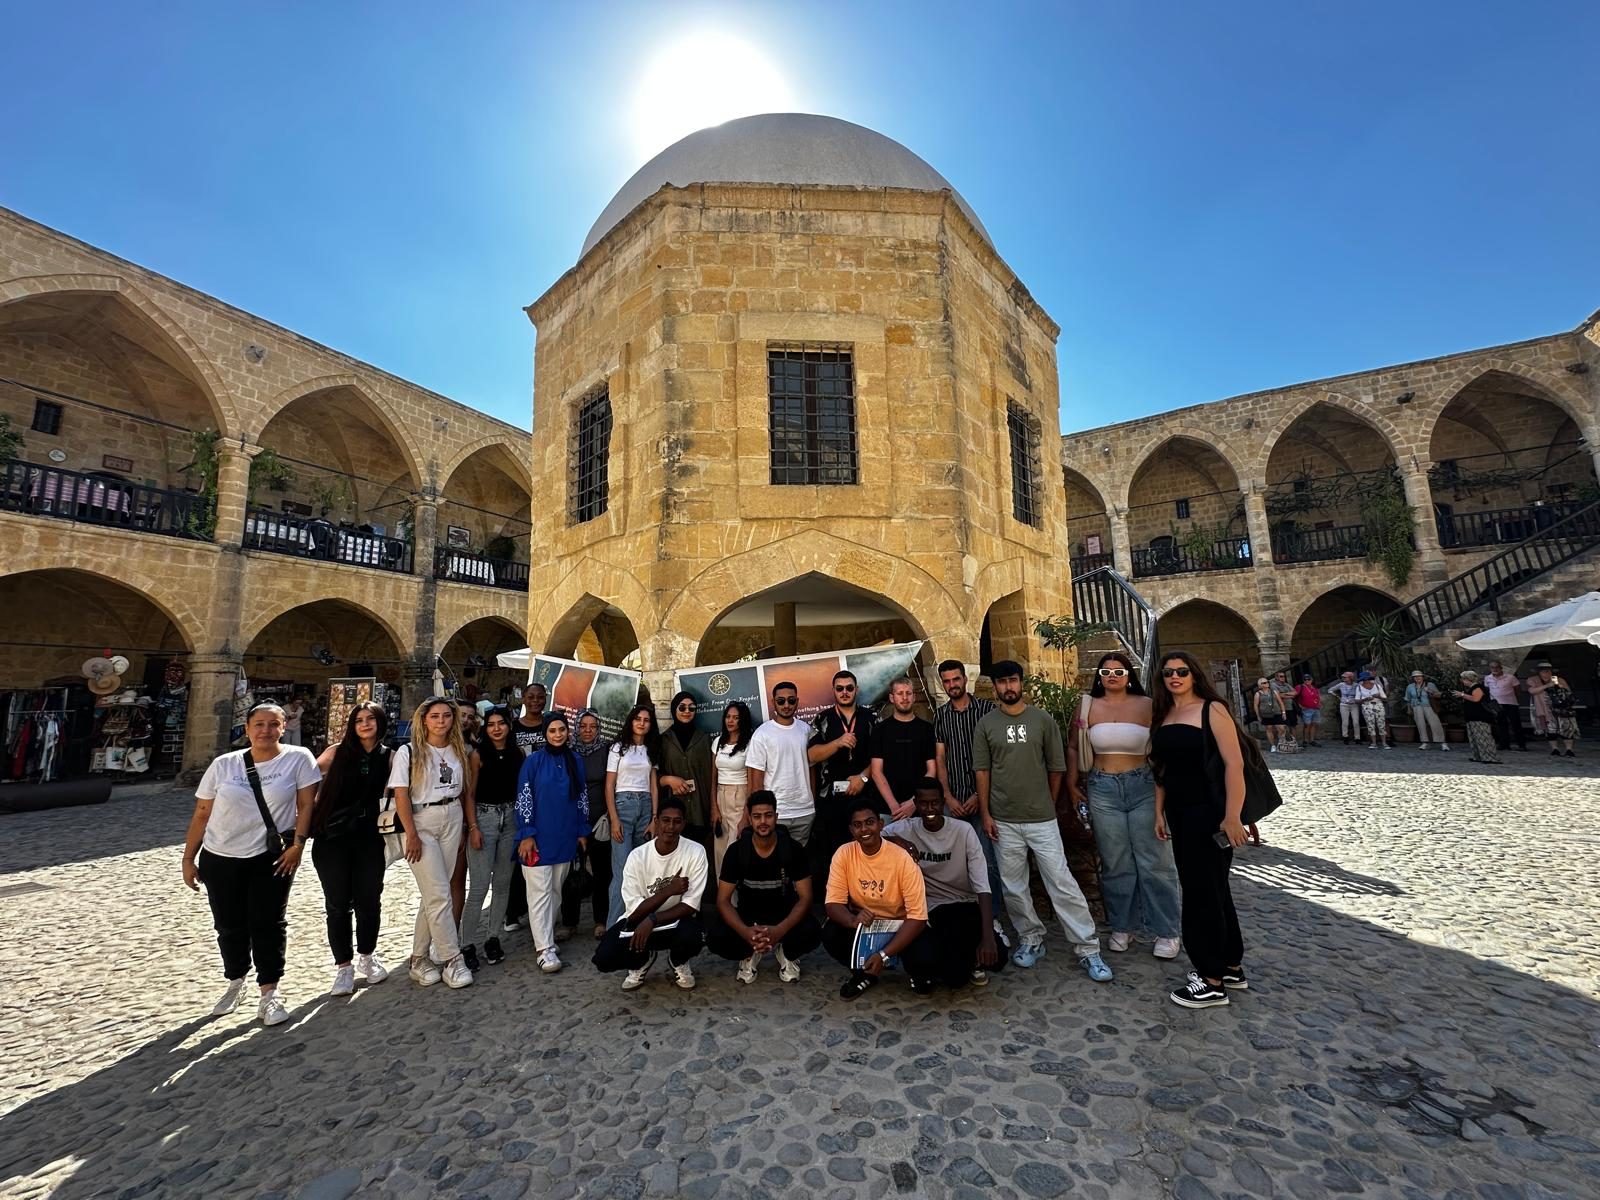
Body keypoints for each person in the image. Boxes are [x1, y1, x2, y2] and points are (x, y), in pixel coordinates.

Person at [182, 702, 320, 1026]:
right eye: (259, 724)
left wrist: (298, 845)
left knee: (268, 923)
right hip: (219, 855)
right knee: (228, 923)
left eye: (273, 724)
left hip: (270, 857)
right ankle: (236, 980)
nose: (266, 730)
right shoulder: (224, 764)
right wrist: (188, 857)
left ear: (284, 728)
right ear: (246, 729)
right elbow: (202, 813)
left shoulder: (299, 759)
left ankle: (269, 992)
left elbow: (306, 805)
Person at [975, 659, 1112, 982]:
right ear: (995, 688)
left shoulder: (1042, 720)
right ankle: (1031, 938)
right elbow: (983, 771)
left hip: (1041, 819)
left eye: (1012, 680)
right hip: (1003, 819)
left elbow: (1056, 767)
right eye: (1002, 682)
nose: (1008, 687)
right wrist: (986, 813)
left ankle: (1088, 948)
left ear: (1021, 683)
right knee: (1014, 887)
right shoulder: (986, 725)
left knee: (1061, 882)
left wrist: (1048, 803)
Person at [1151, 650, 1251, 1010]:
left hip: (1208, 814)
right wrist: (1159, 812)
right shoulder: (1164, 713)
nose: (1175, 677)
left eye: (1182, 671)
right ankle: (1230, 965)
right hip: (1179, 813)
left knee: (1200, 893)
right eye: (1168, 673)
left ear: (1194, 674)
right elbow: (1162, 769)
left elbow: (1234, 765)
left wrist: (1232, 816)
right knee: (1214, 890)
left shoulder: (1213, 710)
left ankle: (1210, 981)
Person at [1066, 653, 1181, 961]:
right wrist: (1072, 784)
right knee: (1115, 860)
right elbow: (1074, 746)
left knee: (1155, 859)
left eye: (1119, 672)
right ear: (1099, 676)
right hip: (1102, 787)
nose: (1112, 676)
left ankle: (1166, 929)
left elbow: (1162, 750)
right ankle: (1123, 925)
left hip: (1143, 785)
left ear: (1129, 675)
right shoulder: (1088, 706)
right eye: (1106, 672)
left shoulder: (1148, 705)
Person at [885, 779, 1006, 987]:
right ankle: (959, 963)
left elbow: (982, 886)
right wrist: (899, 842)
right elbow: (870, 837)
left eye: (935, 803)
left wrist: (988, 938)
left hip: (964, 904)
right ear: (916, 804)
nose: (929, 809)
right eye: (923, 803)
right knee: (948, 973)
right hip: (931, 908)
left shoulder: (963, 830)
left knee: (997, 958)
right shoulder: (905, 829)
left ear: (943, 802)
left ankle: (972, 959)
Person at [388, 696, 474, 989]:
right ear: (424, 720)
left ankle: (418, 958)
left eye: (446, 716)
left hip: (452, 816)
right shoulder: (409, 751)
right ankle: (452, 958)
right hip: (421, 819)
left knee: (435, 892)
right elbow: (401, 794)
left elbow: (463, 790)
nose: (441, 721)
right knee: (439, 894)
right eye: (435, 716)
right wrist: (410, 833)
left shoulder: (457, 750)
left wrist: (464, 827)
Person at [308, 701, 392, 997]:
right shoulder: (336, 753)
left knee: (369, 899)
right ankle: (344, 966)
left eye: (371, 719)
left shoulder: (390, 757)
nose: (365, 724)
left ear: (380, 723)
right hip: (333, 837)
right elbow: (305, 781)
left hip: (369, 837)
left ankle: (367, 955)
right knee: (337, 903)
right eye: (359, 720)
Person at [824, 798, 937, 999]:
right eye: (857, 825)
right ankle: (864, 974)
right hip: (867, 926)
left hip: (900, 924)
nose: (864, 829)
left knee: (926, 954)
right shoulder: (843, 854)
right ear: (851, 830)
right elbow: (833, 903)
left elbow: (918, 917)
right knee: (831, 933)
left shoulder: (902, 858)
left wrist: (883, 955)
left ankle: (917, 973)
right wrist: (852, 920)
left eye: (870, 822)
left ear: (880, 824)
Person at [592, 795, 708, 990]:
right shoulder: (637, 856)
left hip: (675, 920)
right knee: (604, 958)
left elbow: (690, 906)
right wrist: (668, 890)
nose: (670, 827)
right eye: (665, 820)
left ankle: (679, 960)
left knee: (694, 936)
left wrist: (653, 919)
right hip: (639, 920)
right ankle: (641, 960)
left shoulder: (696, 852)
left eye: (676, 821)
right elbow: (634, 912)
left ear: (683, 824)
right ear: (656, 821)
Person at [707, 789, 821, 983]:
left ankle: (786, 951)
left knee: (813, 931)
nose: (763, 822)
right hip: (749, 918)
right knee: (716, 936)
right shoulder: (736, 851)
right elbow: (723, 900)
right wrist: (745, 932)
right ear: (750, 819)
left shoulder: (793, 849)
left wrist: (779, 931)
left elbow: (806, 898)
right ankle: (749, 952)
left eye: (768, 815)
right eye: (757, 816)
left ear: (776, 817)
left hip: (784, 917)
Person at [515, 712, 590, 973]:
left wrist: (581, 829)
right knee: (539, 893)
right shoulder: (533, 762)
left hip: (565, 836)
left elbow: (581, 796)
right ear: (545, 733)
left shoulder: (574, 760)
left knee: (556, 891)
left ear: (567, 732)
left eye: (561, 730)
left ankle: (546, 937)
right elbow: (524, 797)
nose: (558, 735)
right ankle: (543, 948)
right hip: (537, 839)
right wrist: (526, 833)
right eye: (552, 731)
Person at [932, 659, 1003, 904]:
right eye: (947, 681)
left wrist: (978, 795)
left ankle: (992, 914)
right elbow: (940, 758)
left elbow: (996, 755)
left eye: (956, 679)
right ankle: (962, 911)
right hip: (953, 801)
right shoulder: (940, 716)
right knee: (953, 861)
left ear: (965, 679)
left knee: (987, 861)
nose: (952, 684)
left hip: (983, 800)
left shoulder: (987, 710)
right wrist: (947, 796)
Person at [460, 707, 522, 971]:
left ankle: (492, 937)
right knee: (479, 886)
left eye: (501, 723)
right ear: (485, 728)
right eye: (491, 724)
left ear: (509, 726)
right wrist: (473, 827)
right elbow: (470, 794)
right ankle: (466, 943)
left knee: (503, 884)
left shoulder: (518, 754)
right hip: (485, 817)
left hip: (510, 818)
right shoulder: (477, 755)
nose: (496, 728)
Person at [809, 670, 878, 884]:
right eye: (840, 688)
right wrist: (838, 743)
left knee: (867, 851)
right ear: (834, 691)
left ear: (856, 689)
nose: (845, 692)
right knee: (834, 855)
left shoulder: (871, 717)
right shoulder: (822, 718)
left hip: (865, 797)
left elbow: (881, 756)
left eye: (849, 688)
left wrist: (862, 778)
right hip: (830, 800)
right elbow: (812, 755)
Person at [606, 704, 662, 921]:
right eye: (638, 719)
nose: (641, 723)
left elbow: (653, 785)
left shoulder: (651, 749)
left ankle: (639, 924)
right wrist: (614, 819)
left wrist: (655, 818)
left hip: (646, 807)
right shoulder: (618, 748)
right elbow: (609, 785)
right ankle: (614, 927)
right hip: (623, 806)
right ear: (631, 721)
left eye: (646, 720)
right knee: (622, 870)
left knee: (643, 869)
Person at [745, 681, 816, 845]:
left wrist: (812, 803)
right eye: (781, 701)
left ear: (797, 701)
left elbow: (812, 769)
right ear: (773, 702)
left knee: (798, 857)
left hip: (804, 811)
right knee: (774, 857)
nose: (786, 705)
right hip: (775, 814)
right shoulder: (762, 734)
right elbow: (756, 780)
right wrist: (761, 814)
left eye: (791, 700)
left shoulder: (806, 730)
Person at [566, 709, 613, 937]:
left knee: (602, 872)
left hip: (599, 820)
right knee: (570, 872)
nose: (587, 731)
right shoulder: (568, 752)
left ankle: (600, 921)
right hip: (572, 820)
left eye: (592, 726)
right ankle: (569, 922)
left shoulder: (607, 750)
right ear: (576, 727)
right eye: (583, 726)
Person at [659, 691, 715, 877]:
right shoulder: (664, 740)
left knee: (697, 861)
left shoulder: (704, 739)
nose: (687, 711)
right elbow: (653, 775)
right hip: (674, 812)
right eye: (682, 707)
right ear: (674, 710)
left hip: (700, 809)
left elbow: (712, 775)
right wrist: (668, 779)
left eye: (691, 708)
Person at [870, 678, 936, 821]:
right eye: (900, 693)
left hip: (919, 808)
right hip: (888, 810)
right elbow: (876, 772)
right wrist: (894, 807)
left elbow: (931, 770)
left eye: (908, 693)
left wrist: (914, 802)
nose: (905, 698)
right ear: (891, 698)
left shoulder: (927, 729)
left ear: (914, 697)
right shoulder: (880, 730)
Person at [712, 701, 755, 872]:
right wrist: (714, 808)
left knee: (735, 846)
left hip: (740, 795)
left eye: (736, 718)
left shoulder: (750, 744)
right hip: (720, 795)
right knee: (720, 849)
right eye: (728, 717)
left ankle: (738, 889)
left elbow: (752, 781)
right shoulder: (717, 742)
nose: (730, 721)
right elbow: (713, 778)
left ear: (742, 720)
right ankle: (722, 888)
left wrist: (746, 814)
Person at [1526, 662, 1579, 757]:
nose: (1547, 673)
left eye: (1548, 671)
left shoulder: (1559, 680)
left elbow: (1568, 692)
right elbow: (1532, 691)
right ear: (1539, 672)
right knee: (1550, 730)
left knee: (1567, 729)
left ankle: (1569, 750)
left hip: (1562, 709)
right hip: (1544, 709)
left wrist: (1559, 686)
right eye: (1544, 671)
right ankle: (1555, 749)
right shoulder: (1533, 680)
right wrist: (1547, 686)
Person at [1453, 671, 1502, 764]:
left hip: (1480, 717)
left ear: (1469, 679)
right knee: (1474, 738)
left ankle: (1490, 757)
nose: (1462, 681)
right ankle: (1478, 756)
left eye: (1463, 679)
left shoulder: (1478, 687)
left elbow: (1476, 699)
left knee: (1484, 738)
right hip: (1472, 717)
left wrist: (1462, 695)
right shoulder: (1471, 688)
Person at [1484, 660, 1526, 752]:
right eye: (1492, 667)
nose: (1495, 669)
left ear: (1501, 668)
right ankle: (1504, 744)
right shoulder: (1487, 678)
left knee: (1515, 724)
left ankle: (1521, 744)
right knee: (1501, 724)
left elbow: (1518, 690)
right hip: (1497, 704)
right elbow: (1487, 690)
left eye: (1496, 667)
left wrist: (1517, 700)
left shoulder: (1510, 677)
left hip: (1510, 703)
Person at [1402, 671, 1447, 751]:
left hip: (1428, 706)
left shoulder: (1430, 684)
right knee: (1420, 725)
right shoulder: (1410, 687)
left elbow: (1439, 695)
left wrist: (1429, 690)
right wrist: (1409, 709)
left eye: (1419, 676)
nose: (1417, 678)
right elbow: (1408, 699)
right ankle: (1424, 742)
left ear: (1423, 677)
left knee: (1435, 724)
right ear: (1413, 678)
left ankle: (1442, 742)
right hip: (1416, 706)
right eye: (1415, 677)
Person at [1355, 671, 1390, 750]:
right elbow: (1356, 700)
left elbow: (1385, 698)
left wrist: (1378, 696)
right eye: (1364, 679)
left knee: (1381, 724)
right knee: (1370, 725)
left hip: (1378, 705)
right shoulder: (1359, 687)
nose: (1366, 680)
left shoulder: (1377, 686)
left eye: (1367, 679)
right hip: (1367, 706)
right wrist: (1365, 699)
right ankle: (1374, 743)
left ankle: (1384, 743)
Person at [513, 682, 550, 755]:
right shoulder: (512, 727)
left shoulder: (552, 725)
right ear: (523, 699)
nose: (535, 700)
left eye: (540, 697)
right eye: (530, 697)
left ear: (545, 699)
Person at [1251, 678, 1287, 752]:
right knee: (1269, 729)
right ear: (1260, 685)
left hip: (1276, 712)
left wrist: (1283, 712)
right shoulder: (1258, 694)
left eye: (1267, 682)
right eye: (1264, 683)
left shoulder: (1274, 691)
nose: (1267, 683)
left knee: (1282, 728)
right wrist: (1258, 715)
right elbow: (1255, 705)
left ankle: (1280, 742)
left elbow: (1280, 702)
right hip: (1266, 714)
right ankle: (1273, 745)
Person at [1327, 671, 1362, 744]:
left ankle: (1357, 738)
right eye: (1343, 677)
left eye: (1345, 677)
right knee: (1345, 722)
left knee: (1356, 722)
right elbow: (1330, 690)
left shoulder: (1356, 685)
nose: (1344, 678)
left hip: (1354, 705)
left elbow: (1361, 692)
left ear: (1350, 678)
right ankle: (1345, 737)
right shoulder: (1341, 684)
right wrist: (1337, 696)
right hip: (1344, 705)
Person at [1293, 673, 1323, 747]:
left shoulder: (1314, 688)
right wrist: (1299, 705)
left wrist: (1319, 703)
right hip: (1306, 709)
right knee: (1307, 725)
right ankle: (1305, 740)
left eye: (1308, 679)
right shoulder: (1300, 687)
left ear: (1311, 680)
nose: (1307, 680)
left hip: (1316, 708)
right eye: (1305, 679)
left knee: (1314, 724)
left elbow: (1317, 697)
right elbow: (1294, 696)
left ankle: (1312, 740)